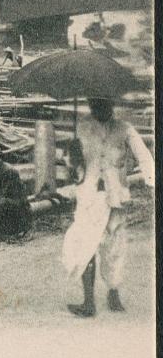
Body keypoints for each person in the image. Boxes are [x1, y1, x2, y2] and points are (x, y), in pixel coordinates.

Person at [62, 97, 154, 318]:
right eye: (95, 105)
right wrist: (72, 155)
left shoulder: (125, 129)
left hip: (116, 197)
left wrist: (152, 180)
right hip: (90, 197)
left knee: (114, 247)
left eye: (104, 105)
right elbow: (72, 167)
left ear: (111, 106)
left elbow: (144, 156)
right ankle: (88, 301)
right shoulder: (83, 128)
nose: (99, 109)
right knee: (85, 244)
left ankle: (113, 292)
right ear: (91, 106)